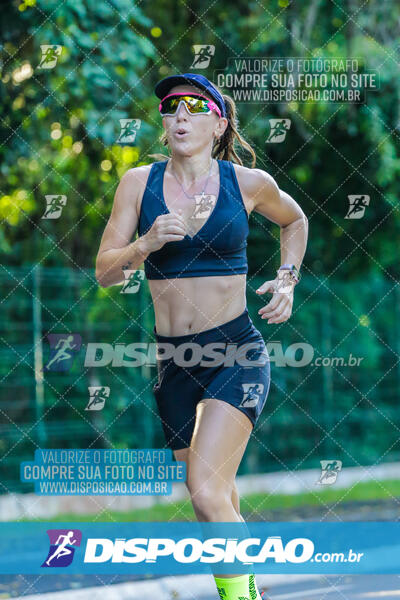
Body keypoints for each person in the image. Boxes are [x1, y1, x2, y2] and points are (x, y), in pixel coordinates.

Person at [95, 73, 308, 600]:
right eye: (170, 108)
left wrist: (287, 280)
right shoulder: (137, 184)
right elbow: (104, 272)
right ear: (164, 125)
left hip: (235, 350)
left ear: (218, 122)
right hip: (174, 363)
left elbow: (296, 220)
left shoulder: (248, 183)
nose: (180, 116)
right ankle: (248, 585)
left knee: (206, 490)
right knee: (214, 499)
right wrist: (144, 244)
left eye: (193, 107)